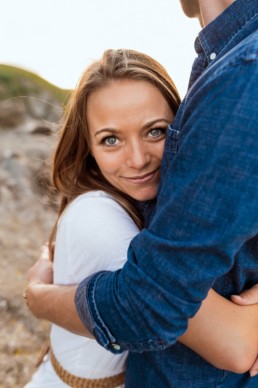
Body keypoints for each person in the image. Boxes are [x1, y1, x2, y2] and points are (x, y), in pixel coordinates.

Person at [25, 0, 258, 384]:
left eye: (156, 131)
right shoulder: (100, 219)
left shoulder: (170, 203)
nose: (138, 159)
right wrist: (35, 295)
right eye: (111, 140)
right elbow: (235, 344)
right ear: (87, 149)